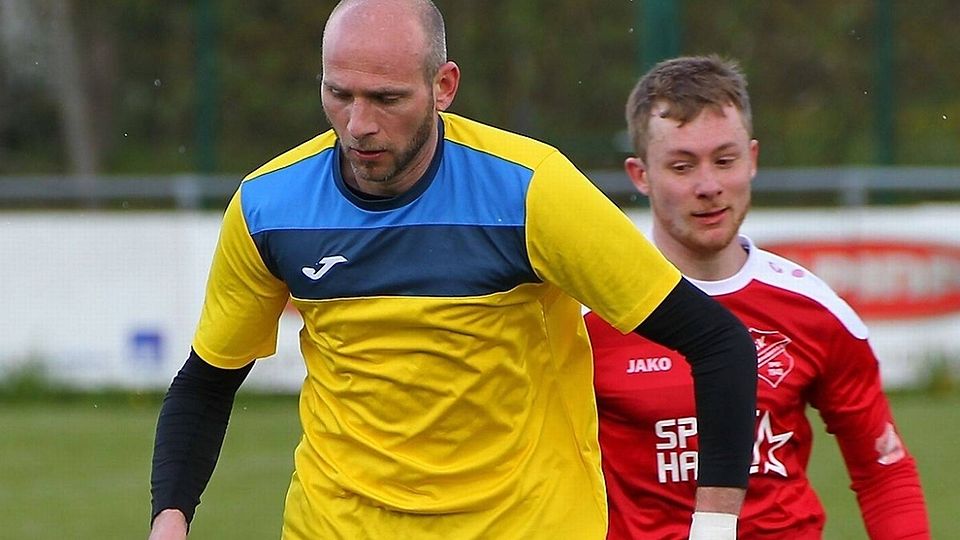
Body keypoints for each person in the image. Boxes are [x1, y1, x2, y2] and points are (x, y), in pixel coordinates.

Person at [148, 2, 758, 538]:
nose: (359, 125)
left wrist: (713, 527)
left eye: (387, 99)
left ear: (443, 86)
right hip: (334, 526)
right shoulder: (267, 207)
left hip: (524, 526)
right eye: (339, 94)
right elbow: (207, 382)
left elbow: (718, 342)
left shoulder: (532, 192)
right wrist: (170, 517)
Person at [585, 54, 931, 539]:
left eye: (725, 161)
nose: (709, 186)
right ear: (640, 175)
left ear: (752, 160)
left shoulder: (814, 309)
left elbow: (883, 471)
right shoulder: (589, 315)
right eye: (682, 166)